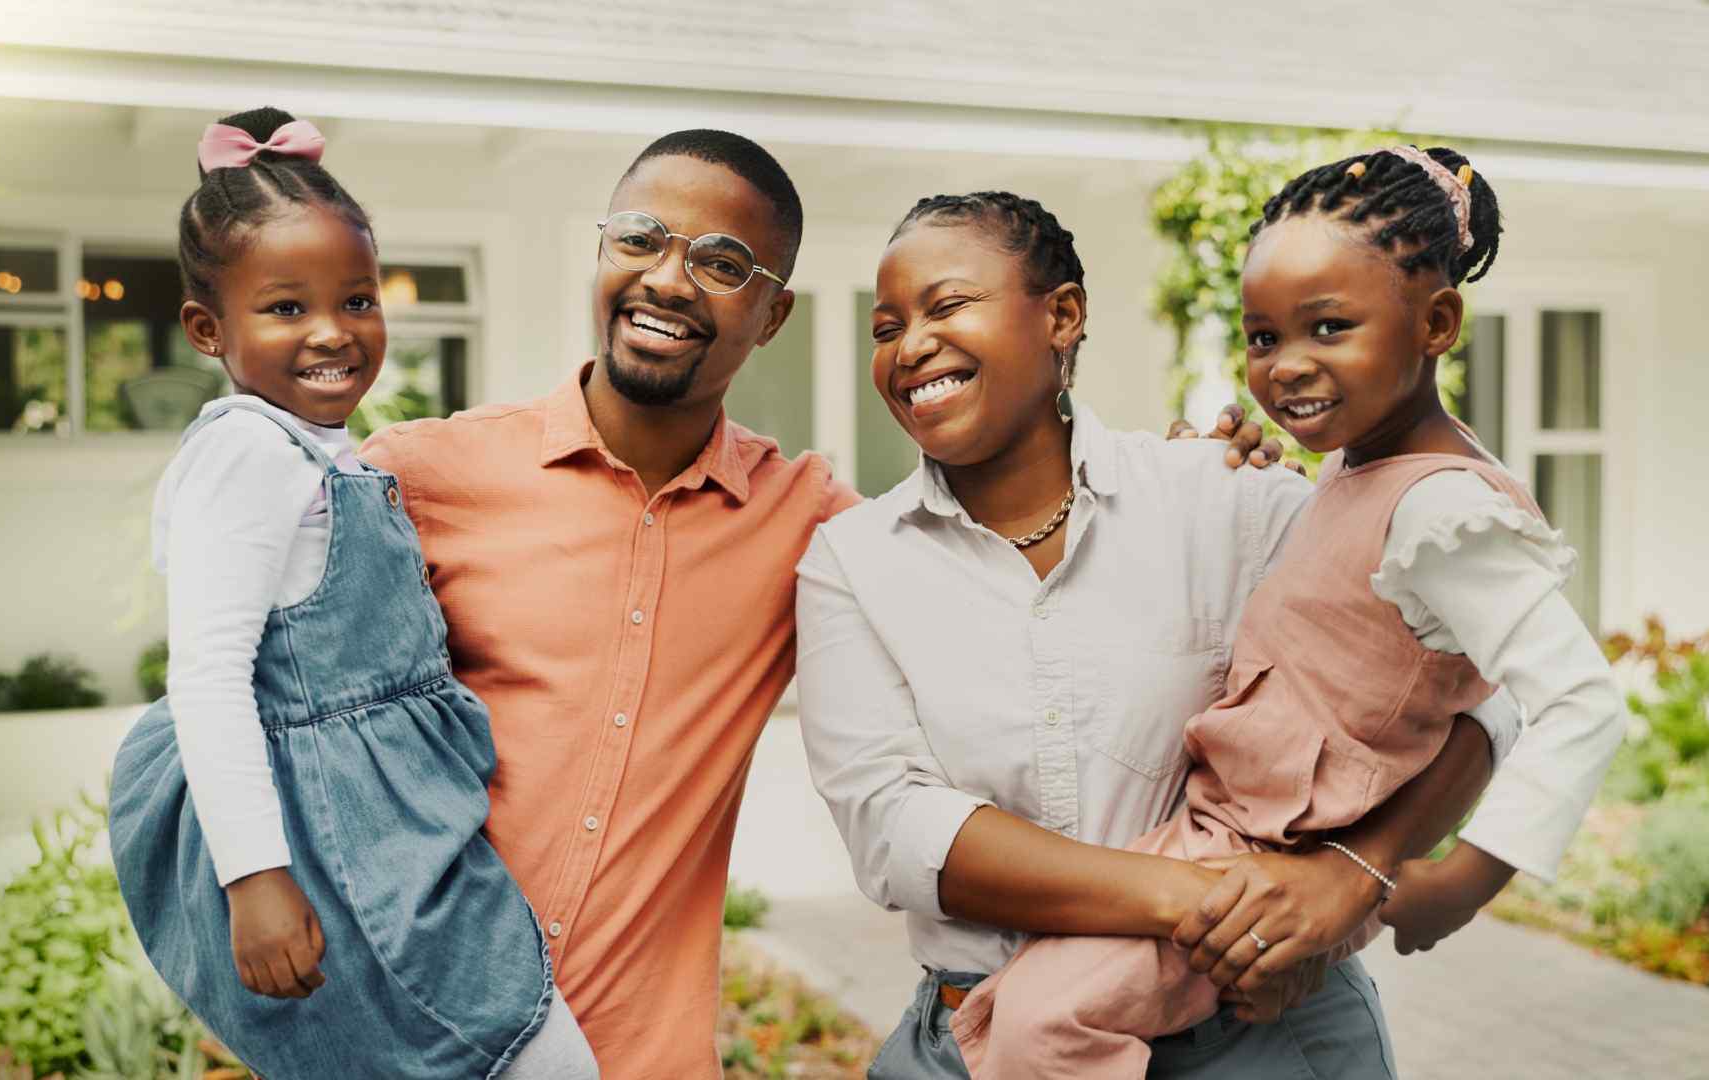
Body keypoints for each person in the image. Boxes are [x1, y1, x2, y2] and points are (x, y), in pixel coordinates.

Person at [355, 130, 1283, 1077]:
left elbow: (982, 536)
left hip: (635, 1054)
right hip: (406, 1038)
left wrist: (1190, 483)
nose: (668, 280)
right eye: (637, 238)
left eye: (722, 262)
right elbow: (283, 714)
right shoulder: (419, 479)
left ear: (772, 316)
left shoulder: (815, 528)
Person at [795, 188, 1539, 1079]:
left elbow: (1481, 694)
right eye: (886, 327)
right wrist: (1219, 903)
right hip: (989, 1041)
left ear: (1063, 315)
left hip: (1260, 1036)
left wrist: (1353, 875)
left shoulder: (1228, 499)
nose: (911, 346)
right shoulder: (852, 563)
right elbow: (896, 829)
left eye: (948, 306)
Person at [941, 149, 1628, 1077]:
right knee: (1022, 1004)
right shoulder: (1361, 468)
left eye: (1329, 328)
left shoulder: (1447, 512)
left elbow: (1578, 701)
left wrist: (1466, 879)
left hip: (1265, 862)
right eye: (1263, 338)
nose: (1287, 367)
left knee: (1038, 1027)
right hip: (1215, 837)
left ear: (1438, 323)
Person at [107, 109, 598, 1078]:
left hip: (394, 823)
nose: (333, 333)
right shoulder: (244, 453)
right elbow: (208, 680)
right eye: (286, 308)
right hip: (339, 841)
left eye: (358, 301)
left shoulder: (312, 449)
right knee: (528, 1056)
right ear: (209, 329)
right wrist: (254, 877)